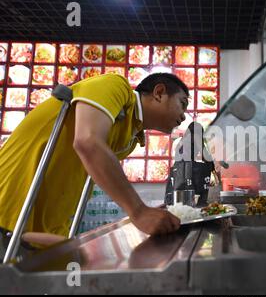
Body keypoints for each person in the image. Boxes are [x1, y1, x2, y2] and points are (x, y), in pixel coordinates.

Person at [0, 73, 188, 253]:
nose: (184, 116)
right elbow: (87, 142)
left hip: (37, 230)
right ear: (159, 93)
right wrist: (139, 211)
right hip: (8, 204)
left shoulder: (131, 138)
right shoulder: (116, 85)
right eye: (183, 104)